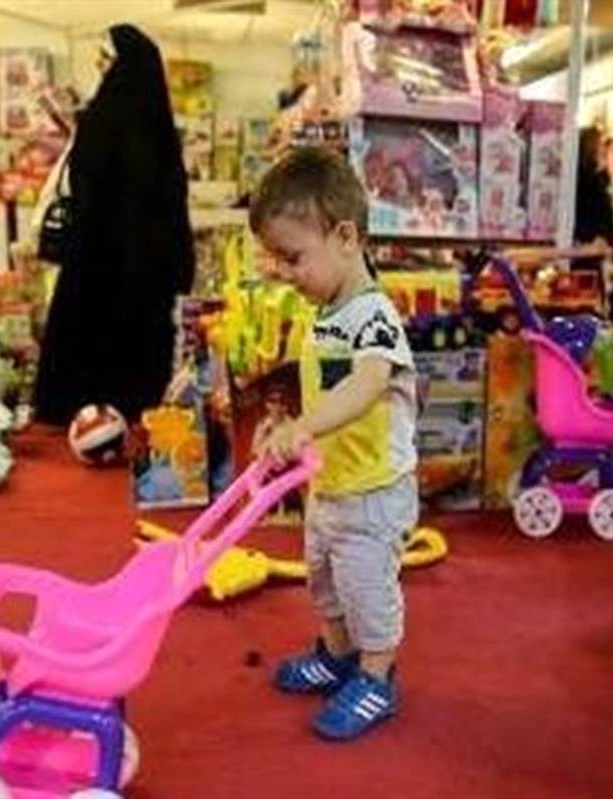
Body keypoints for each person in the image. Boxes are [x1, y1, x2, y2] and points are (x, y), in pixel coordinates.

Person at [250, 147, 419, 741]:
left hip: (373, 490)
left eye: (293, 257)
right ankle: (336, 653)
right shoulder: (326, 310)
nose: (285, 272)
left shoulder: (374, 315)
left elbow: (367, 384)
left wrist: (304, 428)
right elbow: (323, 386)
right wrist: (283, 422)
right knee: (324, 581)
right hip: (331, 483)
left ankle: (377, 674)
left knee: (367, 588)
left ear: (346, 237)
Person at [33, 24, 195, 425]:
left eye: (106, 59)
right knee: (139, 366)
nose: (101, 68)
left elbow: (84, 188)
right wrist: (179, 266)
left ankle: (82, 419)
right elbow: (174, 204)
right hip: (147, 270)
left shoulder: (100, 118)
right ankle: (136, 419)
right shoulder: (160, 126)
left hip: (95, 261)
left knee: (86, 350)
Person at [572, 127, 613, 319]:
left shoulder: (586, 180)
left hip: (590, 253)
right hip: (592, 254)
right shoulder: (592, 183)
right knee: (595, 304)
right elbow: (602, 221)